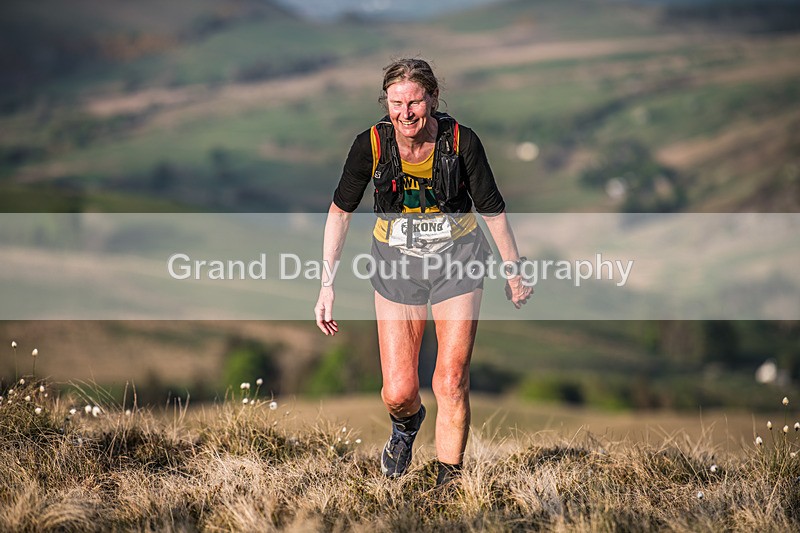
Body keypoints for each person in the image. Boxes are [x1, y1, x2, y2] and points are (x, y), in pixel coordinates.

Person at [314, 58, 531, 487]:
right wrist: (326, 286)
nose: (406, 113)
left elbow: (493, 211)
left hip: (459, 260)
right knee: (398, 391)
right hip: (396, 264)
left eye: (414, 102)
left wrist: (515, 272)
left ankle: (449, 484)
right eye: (396, 103)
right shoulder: (371, 145)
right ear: (386, 102)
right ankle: (407, 425)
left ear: (432, 98)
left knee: (450, 379)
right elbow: (340, 213)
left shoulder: (461, 142)